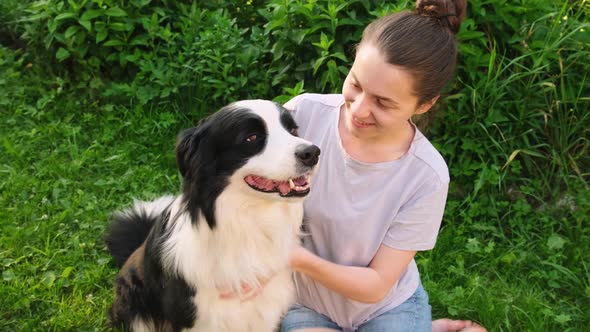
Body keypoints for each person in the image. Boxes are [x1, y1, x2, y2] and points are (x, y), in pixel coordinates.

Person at [278, 0, 486, 331]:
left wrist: (292, 258)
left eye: (383, 102)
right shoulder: (302, 115)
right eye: (357, 84)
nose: (359, 110)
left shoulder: (426, 175)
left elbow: (376, 285)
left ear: (424, 104)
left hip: (385, 306)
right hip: (306, 301)